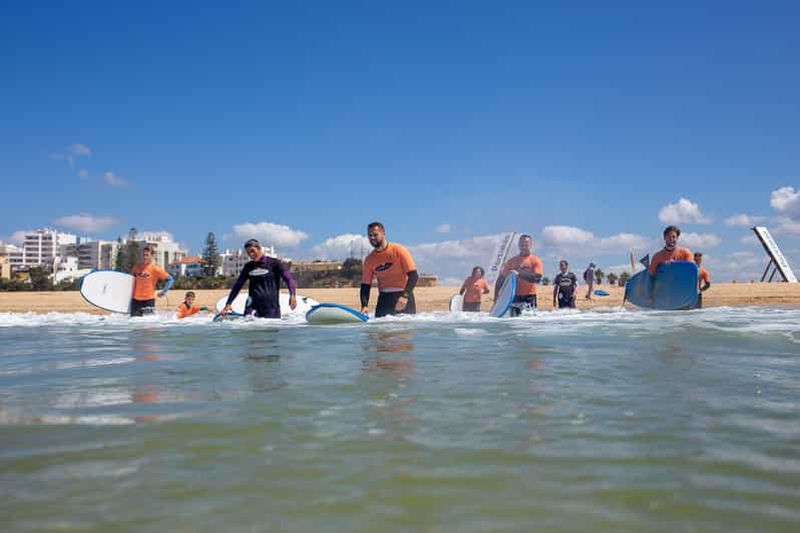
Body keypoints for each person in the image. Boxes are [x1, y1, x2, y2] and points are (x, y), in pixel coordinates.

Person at [220, 239, 297, 318]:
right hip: (252, 306)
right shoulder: (248, 267)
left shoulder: (275, 263)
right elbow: (237, 285)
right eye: (248, 253)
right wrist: (228, 303)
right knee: (248, 323)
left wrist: (292, 295)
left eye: (252, 251)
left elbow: (289, 279)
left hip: (271, 307)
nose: (251, 254)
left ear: (259, 249)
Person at [360, 222, 418, 318]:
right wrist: (364, 305)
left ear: (383, 233)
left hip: (403, 296)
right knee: (381, 327)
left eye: (375, 235)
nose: (372, 238)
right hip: (384, 299)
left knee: (405, 327)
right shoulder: (369, 260)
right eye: (370, 235)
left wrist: (405, 296)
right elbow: (365, 285)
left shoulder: (399, 250)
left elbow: (413, 276)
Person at [495, 234, 543, 316]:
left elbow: (537, 278)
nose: (523, 247)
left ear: (531, 245)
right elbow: (501, 279)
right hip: (513, 296)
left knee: (529, 320)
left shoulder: (536, 260)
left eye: (526, 245)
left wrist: (519, 274)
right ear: (519, 245)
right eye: (521, 244)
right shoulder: (511, 261)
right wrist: (496, 297)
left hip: (529, 296)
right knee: (514, 320)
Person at [130, 245, 174, 317]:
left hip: (149, 301)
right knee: (133, 322)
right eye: (143, 255)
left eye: (147, 255)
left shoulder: (155, 269)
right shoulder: (136, 268)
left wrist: (163, 291)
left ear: (152, 256)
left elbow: (170, 279)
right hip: (135, 301)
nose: (145, 257)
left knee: (149, 323)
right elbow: (129, 283)